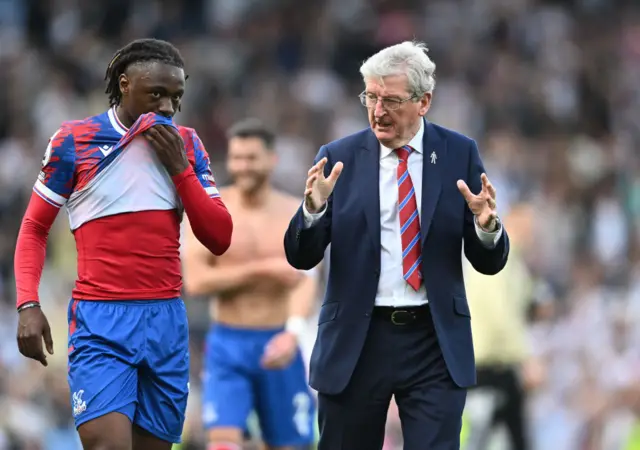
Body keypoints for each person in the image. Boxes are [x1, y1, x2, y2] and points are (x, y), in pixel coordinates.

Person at [283, 40, 510, 450]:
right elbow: (301, 255)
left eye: (390, 100)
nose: (377, 110)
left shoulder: (459, 153)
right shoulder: (338, 158)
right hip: (358, 337)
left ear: (424, 102)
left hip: (434, 339)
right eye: (370, 96)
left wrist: (487, 226)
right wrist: (312, 211)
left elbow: (488, 262)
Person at [14, 38, 233, 450]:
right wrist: (28, 303)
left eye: (176, 96)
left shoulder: (185, 145)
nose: (168, 107)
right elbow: (33, 229)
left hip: (167, 321)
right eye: (157, 94)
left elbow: (219, 238)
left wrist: (180, 171)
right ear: (124, 83)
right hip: (102, 322)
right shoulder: (74, 141)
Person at [182, 119, 318, 450]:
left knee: (289, 444)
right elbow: (197, 282)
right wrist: (263, 270)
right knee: (223, 442)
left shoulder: (293, 213)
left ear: (272, 159)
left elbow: (305, 280)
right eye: (236, 157)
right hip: (227, 342)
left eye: (251, 158)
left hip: (278, 341)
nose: (242, 166)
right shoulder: (209, 211)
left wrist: (292, 332)